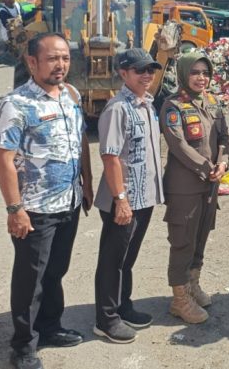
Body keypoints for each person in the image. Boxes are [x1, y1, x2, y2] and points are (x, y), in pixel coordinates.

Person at [0, 31, 94, 369]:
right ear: (32, 61)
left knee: (56, 271)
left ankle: (50, 327)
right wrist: (14, 209)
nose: (61, 64)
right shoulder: (16, 104)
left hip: (69, 201)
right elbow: (4, 158)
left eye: (65, 57)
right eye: (52, 58)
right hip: (34, 209)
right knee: (30, 279)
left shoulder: (72, 95)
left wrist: (88, 181)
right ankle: (23, 346)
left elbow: (79, 140)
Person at [92, 49, 165, 343]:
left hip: (144, 197)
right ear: (124, 73)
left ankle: (123, 305)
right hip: (123, 200)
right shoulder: (117, 108)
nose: (147, 75)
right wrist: (121, 199)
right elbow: (110, 157)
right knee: (113, 260)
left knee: (127, 259)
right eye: (140, 70)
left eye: (150, 70)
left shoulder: (146, 104)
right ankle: (106, 319)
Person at [161, 52, 229, 324]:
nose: (202, 78)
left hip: (210, 186)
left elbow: (224, 138)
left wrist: (223, 163)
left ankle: (192, 285)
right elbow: (178, 145)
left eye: (205, 72)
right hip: (184, 187)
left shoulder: (213, 102)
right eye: (195, 72)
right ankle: (179, 300)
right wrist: (207, 167)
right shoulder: (172, 106)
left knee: (201, 236)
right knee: (182, 241)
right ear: (183, 74)